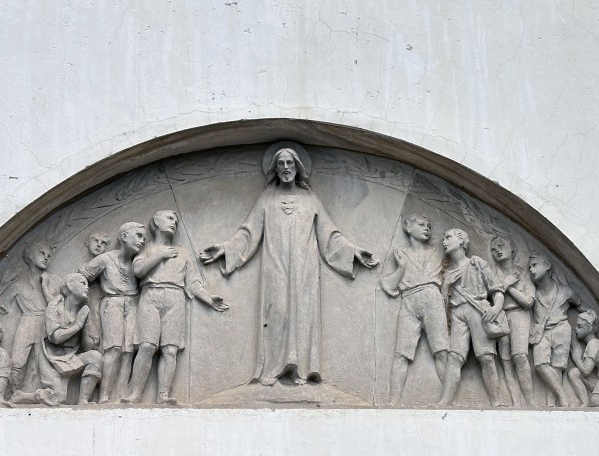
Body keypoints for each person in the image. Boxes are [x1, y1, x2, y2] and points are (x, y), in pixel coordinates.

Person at [200, 146, 377, 386]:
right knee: (277, 311)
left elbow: (329, 233)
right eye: (281, 164)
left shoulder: (311, 200)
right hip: (276, 265)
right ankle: (273, 367)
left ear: (298, 168)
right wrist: (225, 248)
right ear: (275, 168)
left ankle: (302, 369)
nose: (285, 168)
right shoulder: (266, 199)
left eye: (290, 164)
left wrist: (353, 252)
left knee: (304, 314)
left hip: (305, 267)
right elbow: (249, 231)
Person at [125, 210, 229, 404]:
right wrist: (160, 255)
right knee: (147, 346)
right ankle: (136, 394)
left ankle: (163, 395)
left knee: (170, 350)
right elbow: (138, 270)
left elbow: (193, 282)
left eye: (176, 220)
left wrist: (208, 299)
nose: (174, 223)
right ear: (156, 222)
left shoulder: (182, 252)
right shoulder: (147, 248)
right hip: (151, 294)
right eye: (170, 219)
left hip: (175, 297)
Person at [3, 273, 102, 407]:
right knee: (57, 398)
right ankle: (23, 396)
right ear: (70, 286)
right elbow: (56, 337)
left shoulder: (83, 311)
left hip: (71, 356)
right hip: (50, 358)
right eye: (82, 283)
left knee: (95, 357)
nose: (87, 287)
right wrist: (78, 325)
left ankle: (83, 401)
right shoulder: (54, 308)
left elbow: (88, 347)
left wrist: (86, 326)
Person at [380, 213, 448, 404]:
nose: (427, 228)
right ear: (408, 228)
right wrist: (401, 267)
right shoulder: (401, 254)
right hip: (409, 299)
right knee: (401, 354)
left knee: (441, 351)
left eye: (428, 225)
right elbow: (389, 286)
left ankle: (448, 399)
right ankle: (393, 402)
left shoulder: (437, 252)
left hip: (432, 297)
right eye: (421, 224)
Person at [78, 222, 146, 403]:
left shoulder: (138, 262)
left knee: (128, 351)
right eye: (138, 236)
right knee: (114, 348)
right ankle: (104, 397)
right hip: (112, 303)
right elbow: (82, 275)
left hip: (132, 303)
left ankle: (121, 395)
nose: (142, 241)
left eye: (144, 238)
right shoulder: (106, 259)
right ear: (124, 237)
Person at [437, 229, 506, 407]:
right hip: (457, 313)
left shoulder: (477, 264)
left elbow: (496, 290)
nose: (444, 241)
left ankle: (496, 402)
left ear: (461, 241)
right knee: (454, 357)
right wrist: (446, 285)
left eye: (448, 237)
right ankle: (446, 401)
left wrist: (496, 308)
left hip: (477, 310)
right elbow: (442, 305)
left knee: (486, 357)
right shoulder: (447, 272)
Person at [0, 241, 60, 390]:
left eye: (49, 255)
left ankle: (46, 392)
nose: (46, 258)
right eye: (42, 253)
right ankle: (11, 393)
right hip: (26, 322)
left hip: (46, 324)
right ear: (30, 256)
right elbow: (1, 306)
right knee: (18, 362)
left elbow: (58, 307)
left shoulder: (55, 281)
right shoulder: (18, 285)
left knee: (44, 364)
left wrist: (45, 287)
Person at [528, 251, 585, 407]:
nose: (531, 270)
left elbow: (580, 305)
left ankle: (551, 402)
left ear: (547, 266)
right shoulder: (534, 293)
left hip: (561, 329)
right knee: (540, 364)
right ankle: (562, 396)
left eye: (534, 265)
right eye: (529, 267)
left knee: (557, 366)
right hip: (542, 332)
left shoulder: (566, 292)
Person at [489, 234, 535, 407]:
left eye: (501, 246)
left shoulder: (523, 273)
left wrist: (507, 287)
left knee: (520, 357)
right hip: (501, 317)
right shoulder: (493, 274)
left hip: (519, 315)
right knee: (506, 362)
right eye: (493, 250)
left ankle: (530, 402)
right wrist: (506, 283)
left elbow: (528, 301)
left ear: (512, 248)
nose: (497, 251)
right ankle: (516, 403)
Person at [79, 232, 110, 352]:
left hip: (105, 307)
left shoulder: (108, 267)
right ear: (87, 243)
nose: (98, 245)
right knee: (90, 339)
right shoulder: (82, 267)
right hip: (89, 308)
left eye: (103, 243)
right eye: (95, 241)